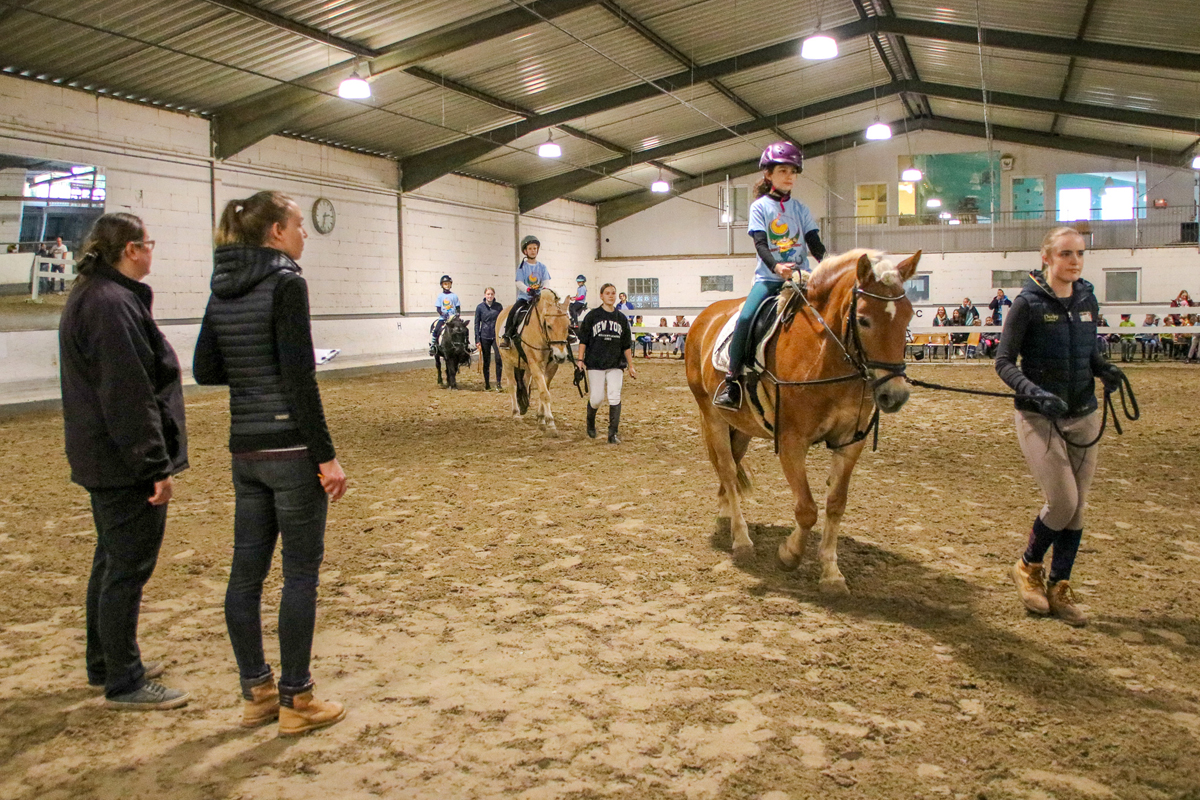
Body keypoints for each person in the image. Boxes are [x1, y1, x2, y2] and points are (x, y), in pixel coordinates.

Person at [194, 190, 349, 735]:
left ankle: (255, 690)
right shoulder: (286, 281)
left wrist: (252, 366)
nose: (305, 234)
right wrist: (326, 456)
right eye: (300, 225)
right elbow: (299, 381)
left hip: (245, 448)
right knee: (300, 574)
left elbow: (206, 368)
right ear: (277, 232)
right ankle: (297, 699)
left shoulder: (221, 287)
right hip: (289, 448)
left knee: (246, 575)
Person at [58, 213, 190, 710]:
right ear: (132, 249)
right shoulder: (111, 305)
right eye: (149, 244)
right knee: (127, 569)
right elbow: (128, 395)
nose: (153, 252)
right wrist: (153, 464)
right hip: (121, 461)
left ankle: (106, 661)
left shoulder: (95, 296)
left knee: (110, 561)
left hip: (103, 455)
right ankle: (124, 679)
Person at [997, 226, 1124, 628]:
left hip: (1084, 412)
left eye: (1080, 254)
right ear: (1046, 258)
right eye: (1066, 254)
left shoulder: (1086, 299)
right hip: (1040, 416)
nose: (1075, 261)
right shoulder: (1027, 304)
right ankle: (1028, 565)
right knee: (1063, 502)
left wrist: (1104, 368)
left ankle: (1060, 583)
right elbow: (1003, 363)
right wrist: (1033, 392)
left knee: (1078, 508)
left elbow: (1088, 350)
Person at [713, 141, 826, 410]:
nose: (790, 176)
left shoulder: (800, 208)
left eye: (793, 171)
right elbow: (761, 244)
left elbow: (814, 242)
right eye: (783, 171)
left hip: (801, 279)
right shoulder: (760, 207)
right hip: (769, 280)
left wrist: (829, 264)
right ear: (769, 175)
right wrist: (777, 267)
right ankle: (732, 382)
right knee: (747, 318)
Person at [576, 283, 637, 444]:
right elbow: (583, 341)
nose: (611, 295)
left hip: (615, 364)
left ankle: (613, 433)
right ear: (601, 296)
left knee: (614, 395)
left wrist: (630, 365)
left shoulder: (621, 319)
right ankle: (590, 423)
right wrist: (580, 360)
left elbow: (626, 346)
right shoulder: (592, 316)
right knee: (596, 398)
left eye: (613, 293)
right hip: (595, 363)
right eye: (608, 293)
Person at [501, 234, 550, 348]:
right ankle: (507, 335)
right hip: (525, 298)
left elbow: (546, 281)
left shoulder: (542, 267)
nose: (533, 251)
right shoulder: (522, 267)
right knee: (513, 312)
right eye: (530, 249)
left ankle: (565, 335)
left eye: (535, 248)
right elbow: (518, 282)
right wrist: (528, 289)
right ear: (525, 251)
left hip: (539, 298)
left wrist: (544, 290)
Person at [474, 287, 504, 391]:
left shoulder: (499, 307)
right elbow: (477, 324)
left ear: (494, 295)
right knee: (486, 360)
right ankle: (487, 383)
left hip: (496, 336)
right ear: (485, 295)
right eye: (488, 294)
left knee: (498, 359)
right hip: (484, 336)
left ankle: (498, 383)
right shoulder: (480, 307)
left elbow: (502, 322)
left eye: (491, 294)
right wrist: (477, 340)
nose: (490, 296)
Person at [430, 275, 460, 356]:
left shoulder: (454, 296)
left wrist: (457, 314)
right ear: (442, 285)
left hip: (453, 318)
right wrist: (443, 314)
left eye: (448, 283)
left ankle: (467, 345)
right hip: (443, 318)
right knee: (436, 330)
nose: (447, 285)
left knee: (462, 329)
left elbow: (457, 307)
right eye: (445, 284)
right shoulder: (440, 296)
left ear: (451, 284)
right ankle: (433, 345)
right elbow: (438, 308)